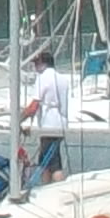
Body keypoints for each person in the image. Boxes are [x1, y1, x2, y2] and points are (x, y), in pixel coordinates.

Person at [24, 49, 72, 183]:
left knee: (52, 162)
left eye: (36, 64)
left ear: (43, 64)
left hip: (48, 125)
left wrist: (19, 119)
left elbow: (34, 106)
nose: (35, 67)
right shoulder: (63, 79)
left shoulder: (43, 78)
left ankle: (55, 187)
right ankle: (47, 187)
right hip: (61, 123)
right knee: (47, 159)